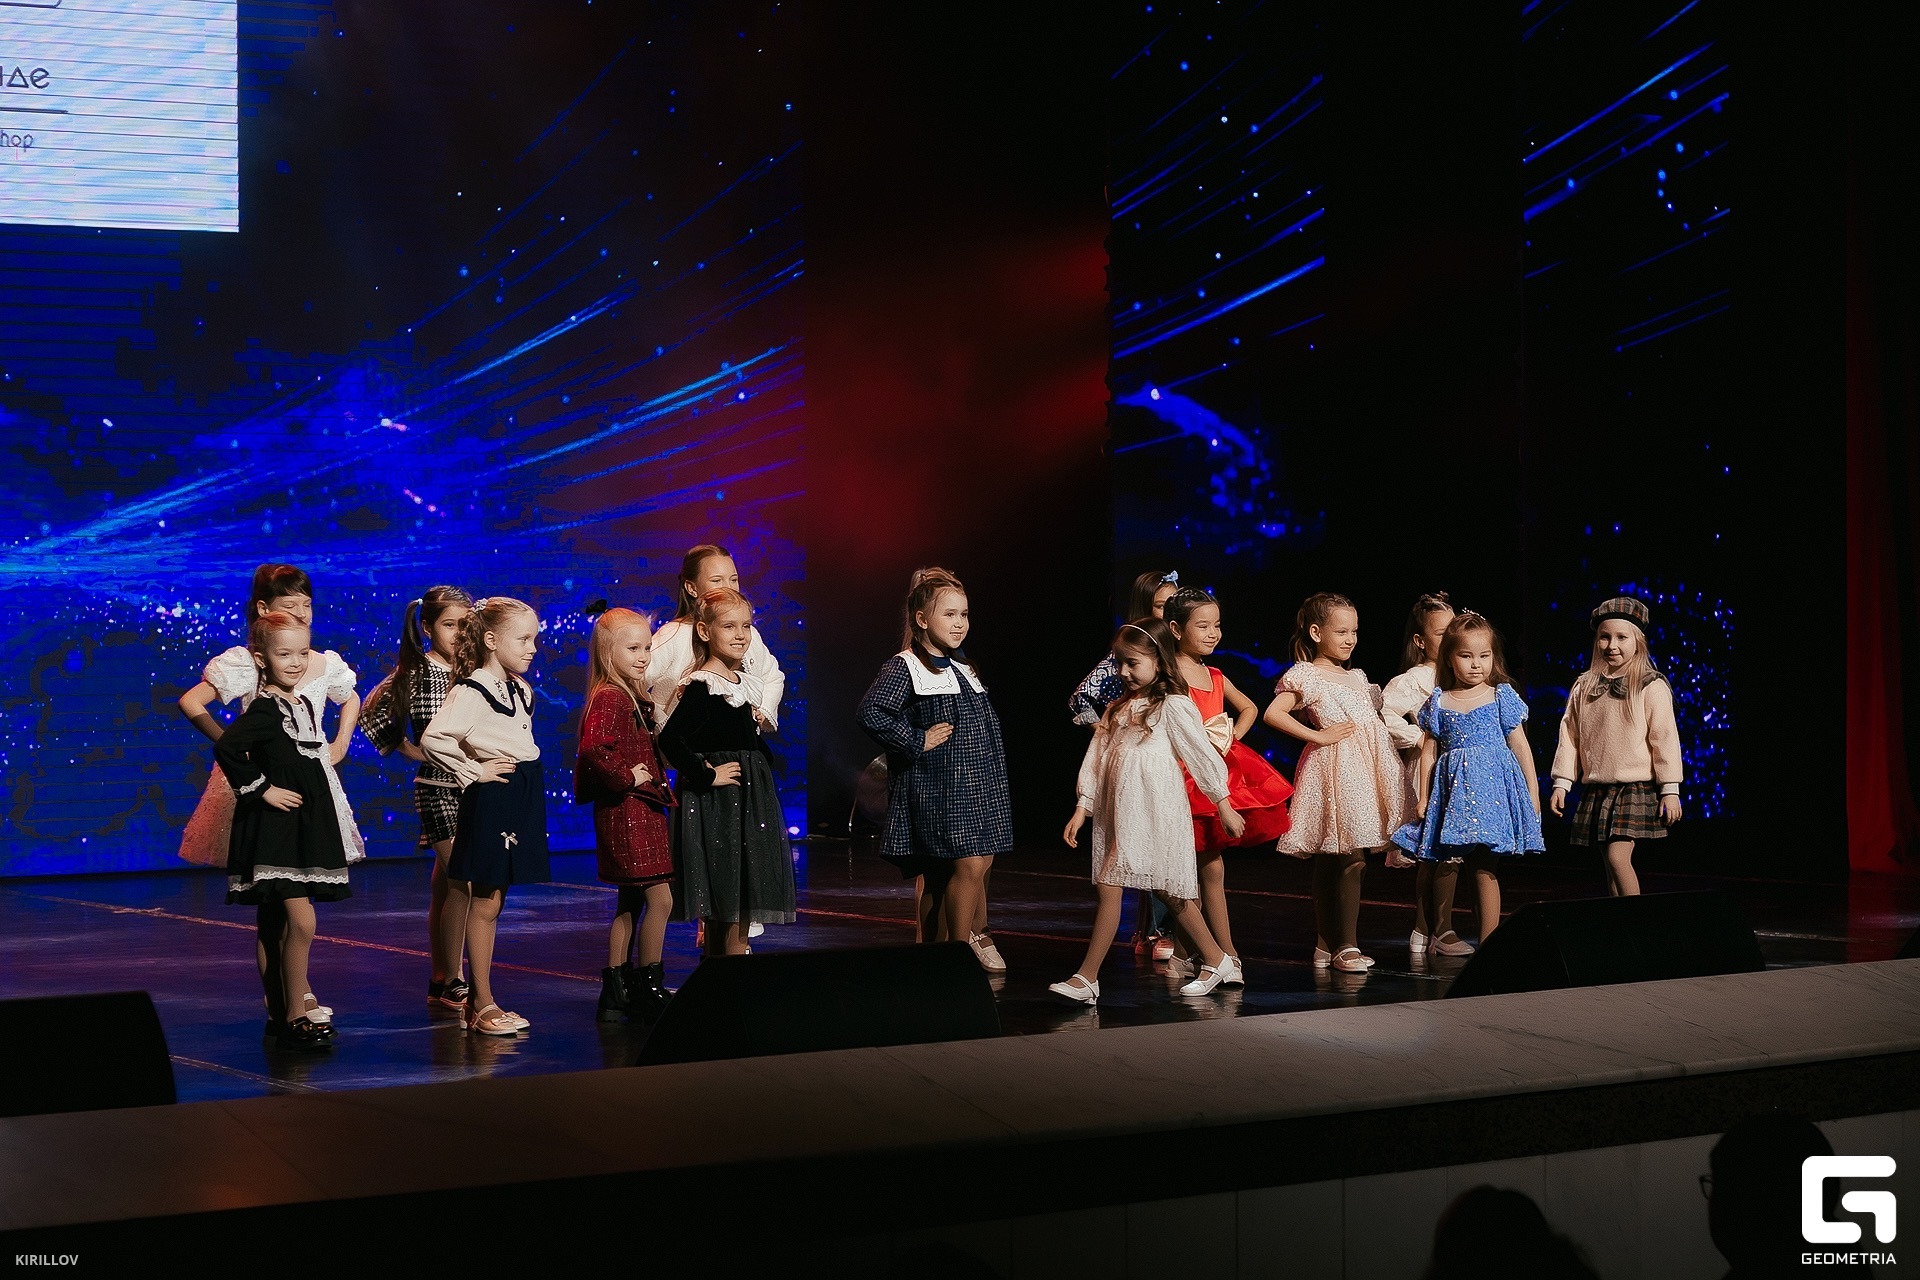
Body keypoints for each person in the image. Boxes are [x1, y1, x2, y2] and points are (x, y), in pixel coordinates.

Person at [178, 563, 360, 1031]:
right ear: (264, 610)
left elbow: (350, 698)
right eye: (290, 604)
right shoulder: (254, 672)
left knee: (292, 903)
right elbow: (195, 706)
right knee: (277, 909)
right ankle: (288, 1003)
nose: (301, 612)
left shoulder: (314, 666)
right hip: (268, 790)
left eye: (307, 605)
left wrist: (340, 743)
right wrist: (252, 763)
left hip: (309, 794)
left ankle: (292, 1001)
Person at [1052, 618, 1245, 1004]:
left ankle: (1215, 959)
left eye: (1133, 663)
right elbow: (1096, 759)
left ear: (1158, 660)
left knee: (1169, 890)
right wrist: (1082, 807)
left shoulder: (1173, 705)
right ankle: (1088, 978)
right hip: (1120, 813)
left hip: (1157, 809)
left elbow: (1201, 755)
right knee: (1109, 885)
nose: (1124, 671)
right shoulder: (1117, 709)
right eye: (1120, 663)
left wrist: (1223, 804)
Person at [212, 611, 363, 1052]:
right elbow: (228, 747)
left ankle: (283, 1016)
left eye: (301, 653)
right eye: (284, 654)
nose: (295, 662)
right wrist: (263, 789)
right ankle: (297, 1012)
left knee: (283, 923)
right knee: (301, 919)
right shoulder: (265, 708)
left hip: (303, 827)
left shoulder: (301, 704)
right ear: (262, 659)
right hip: (276, 830)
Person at [857, 568, 1012, 971]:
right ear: (922, 619)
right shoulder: (906, 666)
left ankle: (935, 958)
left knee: (956, 872)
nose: (960, 623)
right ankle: (956, 958)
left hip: (979, 786)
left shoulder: (962, 666)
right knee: (965, 865)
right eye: (949, 614)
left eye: (964, 614)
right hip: (940, 788)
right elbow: (871, 712)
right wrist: (915, 740)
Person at [420, 597, 550, 1037]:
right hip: (493, 797)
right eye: (523, 639)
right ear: (492, 640)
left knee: (496, 898)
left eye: (534, 639)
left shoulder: (520, 689)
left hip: (519, 793)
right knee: (486, 898)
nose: (532, 648)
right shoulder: (473, 689)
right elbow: (435, 738)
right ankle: (481, 1002)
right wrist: (474, 771)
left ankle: (481, 1000)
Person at [1263, 592, 1403, 973]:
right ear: (1316, 632)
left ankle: (1325, 946)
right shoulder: (1307, 674)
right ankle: (1346, 945)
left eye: (1354, 631)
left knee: (1336, 857)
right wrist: (1318, 735)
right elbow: (1273, 714)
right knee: (1348, 857)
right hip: (1334, 771)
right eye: (1341, 632)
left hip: (1365, 772)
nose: (1350, 639)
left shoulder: (1357, 677)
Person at [1162, 585, 1293, 978]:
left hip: (1213, 774)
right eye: (1202, 626)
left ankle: (1211, 954)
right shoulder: (1168, 674)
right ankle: (1210, 954)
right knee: (1193, 869)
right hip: (1180, 776)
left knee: (1211, 866)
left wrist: (1229, 737)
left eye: (1217, 625)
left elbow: (1249, 707)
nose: (1213, 633)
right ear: (1176, 629)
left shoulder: (1215, 675)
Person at [657, 588, 797, 956]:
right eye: (729, 626)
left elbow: (748, 742)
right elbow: (671, 739)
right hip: (721, 807)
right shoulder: (704, 685)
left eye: (746, 626)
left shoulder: (742, 683)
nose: (740, 635)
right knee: (728, 896)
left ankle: (725, 971)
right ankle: (729, 976)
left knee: (740, 896)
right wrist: (707, 775)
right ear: (705, 631)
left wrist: (761, 760)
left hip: (748, 802)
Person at [1391, 612, 1543, 944]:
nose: (1476, 664)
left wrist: (1532, 793)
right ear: (1449, 657)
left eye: (1484, 656)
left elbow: (1520, 746)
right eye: (1466, 656)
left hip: (1492, 795)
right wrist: (1423, 797)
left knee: (1484, 866)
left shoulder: (1500, 696)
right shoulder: (1439, 701)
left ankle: (1489, 944)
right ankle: (1439, 932)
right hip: (1455, 798)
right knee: (1455, 864)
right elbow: (1429, 753)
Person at [359, 585, 474, 1011]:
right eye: (449, 625)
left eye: (465, 624)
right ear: (427, 627)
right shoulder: (418, 671)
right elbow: (372, 712)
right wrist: (409, 749)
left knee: (445, 885)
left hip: (473, 787)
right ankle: (455, 978)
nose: (458, 633)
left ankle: (440, 977)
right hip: (437, 788)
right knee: (462, 879)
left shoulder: (474, 669)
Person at [1068, 568, 1182, 960]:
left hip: (1172, 766)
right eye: (1162, 606)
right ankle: (1155, 932)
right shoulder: (1130, 656)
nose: (1170, 614)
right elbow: (1081, 699)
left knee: (1172, 856)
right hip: (1139, 771)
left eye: (1175, 606)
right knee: (1142, 854)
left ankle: (1198, 948)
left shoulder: (1178, 659)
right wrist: (1110, 730)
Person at [574, 608, 676, 1022]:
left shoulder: (623, 693)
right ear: (608, 652)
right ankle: (649, 985)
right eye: (633, 648)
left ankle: (616, 990)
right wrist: (627, 777)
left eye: (647, 648)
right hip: (630, 809)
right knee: (661, 899)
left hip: (636, 808)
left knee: (630, 900)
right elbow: (594, 748)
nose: (643, 656)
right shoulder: (613, 696)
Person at [1548, 595, 1684, 897]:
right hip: (1599, 787)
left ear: (1638, 642)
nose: (1612, 645)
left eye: (1622, 637)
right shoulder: (1584, 686)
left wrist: (1670, 789)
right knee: (1609, 865)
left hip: (1632, 787)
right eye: (1604, 637)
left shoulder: (1649, 685)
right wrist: (1562, 783)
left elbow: (1664, 738)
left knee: (1617, 857)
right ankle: (1618, 919)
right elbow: (1570, 737)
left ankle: (1636, 918)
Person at [1381, 591, 1475, 958]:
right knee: (1436, 850)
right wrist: (1418, 736)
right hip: (1431, 770)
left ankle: (1424, 928)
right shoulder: (1416, 679)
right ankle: (1441, 929)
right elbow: (1384, 714)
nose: (1450, 636)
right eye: (1441, 632)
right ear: (1420, 641)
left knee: (1442, 851)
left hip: (1461, 770)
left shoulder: (1460, 672)